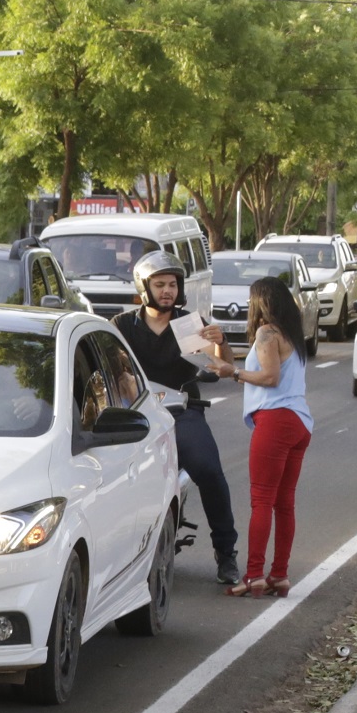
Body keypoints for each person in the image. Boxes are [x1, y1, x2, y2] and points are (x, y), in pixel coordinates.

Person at [116, 249, 241, 586]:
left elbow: (218, 367)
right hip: (136, 417)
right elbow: (111, 372)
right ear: (144, 287)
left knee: (210, 471)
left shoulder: (188, 323)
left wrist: (220, 342)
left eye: (172, 284)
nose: (167, 290)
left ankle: (226, 553)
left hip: (181, 413)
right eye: (160, 284)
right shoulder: (123, 325)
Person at [225, 274, 315, 598]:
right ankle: (279, 575)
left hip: (275, 421)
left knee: (262, 502)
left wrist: (233, 372)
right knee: (284, 504)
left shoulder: (267, 333)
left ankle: (253, 576)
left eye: (252, 300)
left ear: (261, 302)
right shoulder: (293, 335)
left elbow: (269, 377)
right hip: (300, 422)